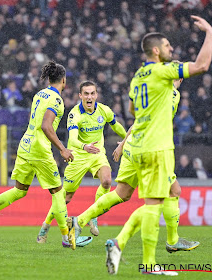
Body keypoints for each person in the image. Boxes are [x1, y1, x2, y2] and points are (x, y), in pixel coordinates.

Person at [105, 16, 212, 276]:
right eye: (167, 46)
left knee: (173, 191)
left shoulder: (137, 77)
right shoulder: (160, 70)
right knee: (152, 205)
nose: (171, 49)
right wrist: (210, 31)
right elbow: (201, 65)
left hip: (140, 147)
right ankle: (145, 261)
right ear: (156, 50)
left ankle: (131, 245)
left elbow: (132, 109)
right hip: (156, 149)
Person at [76, 78, 199, 274]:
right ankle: (165, 245)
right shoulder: (171, 94)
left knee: (122, 193)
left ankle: (80, 220)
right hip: (151, 149)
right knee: (166, 195)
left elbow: (138, 121)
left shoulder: (150, 90)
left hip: (133, 145)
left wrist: (123, 143)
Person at [0, 61, 76, 249]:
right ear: (64, 81)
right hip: (39, 148)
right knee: (58, 192)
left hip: (25, 144)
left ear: (49, 79)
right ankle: (67, 237)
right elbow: (46, 126)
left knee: (19, 190)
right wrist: (62, 149)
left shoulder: (39, 95)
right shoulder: (57, 100)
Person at [37, 80, 126, 245]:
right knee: (65, 198)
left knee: (107, 180)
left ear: (96, 95)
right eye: (86, 94)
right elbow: (72, 139)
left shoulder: (104, 110)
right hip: (77, 155)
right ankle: (45, 226)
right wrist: (84, 146)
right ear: (80, 96)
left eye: (92, 93)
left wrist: (127, 139)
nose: (89, 97)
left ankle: (93, 217)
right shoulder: (74, 114)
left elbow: (116, 127)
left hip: (97, 153)